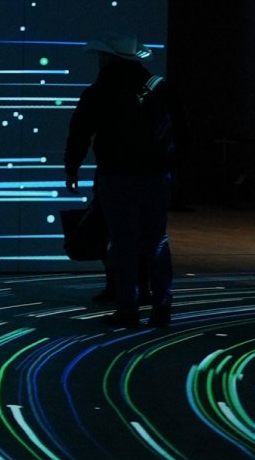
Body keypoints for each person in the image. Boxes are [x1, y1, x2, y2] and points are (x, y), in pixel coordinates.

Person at [63, 35, 175, 328]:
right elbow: (180, 133)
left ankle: (128, 309)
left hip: (116, 177)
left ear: (109, 59)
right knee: (157, 242)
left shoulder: (98, 92)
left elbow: (80, 132)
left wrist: (71, 169)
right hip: (155, 176)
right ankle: (162, 306)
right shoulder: (159, 89)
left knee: (123, 244)